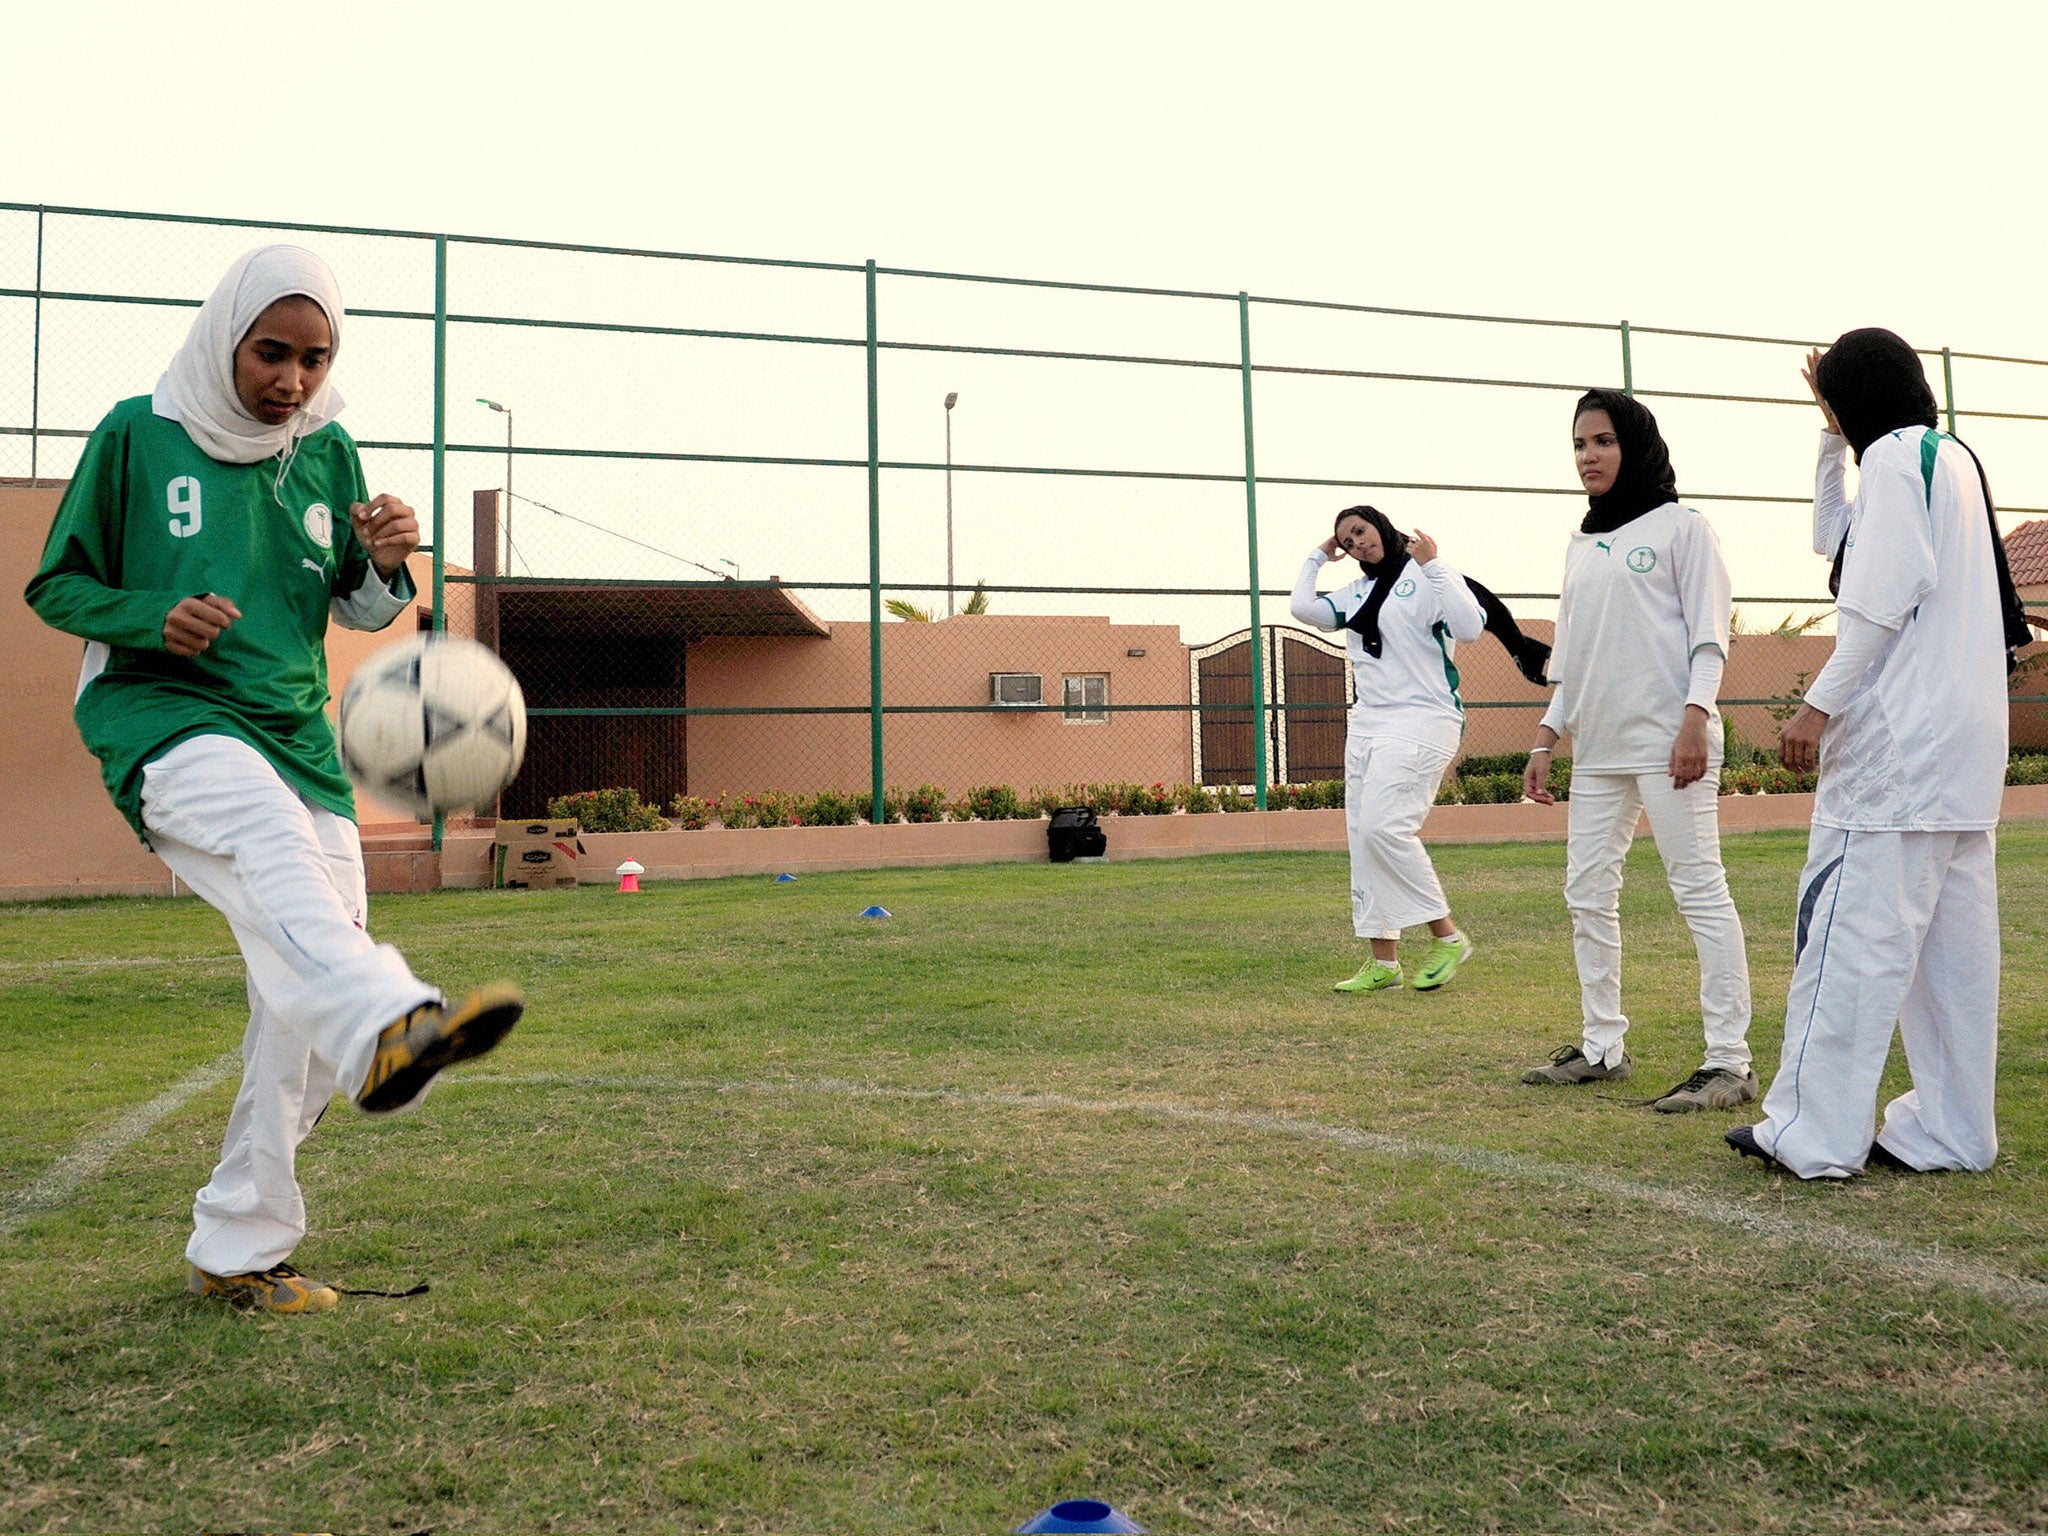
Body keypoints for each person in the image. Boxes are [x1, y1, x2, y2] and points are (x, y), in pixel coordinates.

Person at [24, 245, 524, 1313]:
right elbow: (56, 584)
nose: (290, 379)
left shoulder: (327, 449)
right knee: (272, 847)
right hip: (164, 718)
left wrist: (390, 559)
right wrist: (147, 615)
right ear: (225, 339)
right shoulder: (135, 434)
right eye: (271, 353)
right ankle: (389, 1022)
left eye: (313, 357)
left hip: (299, 737)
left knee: (298, 989)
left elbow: (355, 603)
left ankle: (237, 1246)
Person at [1728, 330, 2029, 1178]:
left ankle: (1811, 1134)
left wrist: (1815, 710)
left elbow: (1876, 603)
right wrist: (1830, 434)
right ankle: (1954, 1132)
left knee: (1849, 942)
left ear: (1858, 390)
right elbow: (1838, 541)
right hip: (1965, 759)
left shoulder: (1897, 461)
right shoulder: (1946, 460)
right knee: (1953, 967)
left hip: (1897, 757)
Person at [1518, 389, 1755, 1112]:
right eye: (1580, 446)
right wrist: (1545, 738)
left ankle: (1729, 1063)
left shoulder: (1684, 528)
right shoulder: (1582, 544)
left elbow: (1709, 638)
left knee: (1699, 891)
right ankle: (1602, 1048)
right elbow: (1576, 658)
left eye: (1604, 442)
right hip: (1599, 751)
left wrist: (1695, 720)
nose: (1589, 456)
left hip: (1670, 744)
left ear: (1636, 446)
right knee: (1587, 894)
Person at [1290, 505, 1487, 992]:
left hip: (1424, 718)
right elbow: (1303, 608)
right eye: (1347, 540)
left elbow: (1470, 627)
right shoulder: (1355, 592)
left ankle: (1447, 937)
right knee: (1362, 836)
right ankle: (1384, 962)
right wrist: (1317, 556)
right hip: (1369, 723)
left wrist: (1435, 564)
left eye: (1360, 530)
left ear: (1381, 525)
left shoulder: (1427, 577)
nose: (1356, 543)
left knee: (1385, 828)